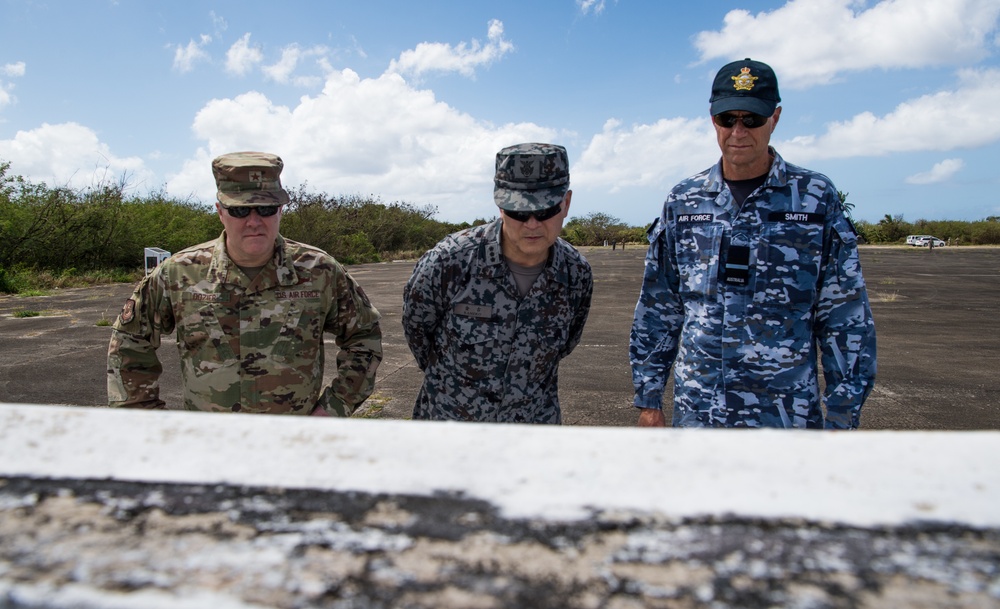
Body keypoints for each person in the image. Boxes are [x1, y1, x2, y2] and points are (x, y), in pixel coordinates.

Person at [630, 59, 876, 429]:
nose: (739, 131)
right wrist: (649, 398)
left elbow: (843, 314)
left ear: (775, 118)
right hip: (699, 413)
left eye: (752, 119)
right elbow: (659, 305)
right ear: (713, 120)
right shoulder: (684, 200)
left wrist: (842, 414)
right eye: (728, 119)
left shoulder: (813, 198)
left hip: (785, 415)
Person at [107, 151, 383, 415]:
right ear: (220, 211)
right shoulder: (179, 273)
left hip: (294, 444)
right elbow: (130, 340)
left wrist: (334, 407)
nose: (254, 221)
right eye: (240, 210)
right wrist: (145, 417)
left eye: (265, 208)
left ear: (281, 210)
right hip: (210, 446)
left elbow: (363, 336)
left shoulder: (320, 271)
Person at [403, 143, 593, 423]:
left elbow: (565, 344)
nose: (531, 224)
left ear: (566, 203)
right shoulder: (448, 262)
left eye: (545, 210)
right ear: (500, 205)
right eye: (518, 211)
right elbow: (417, 332)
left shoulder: (575, 274)